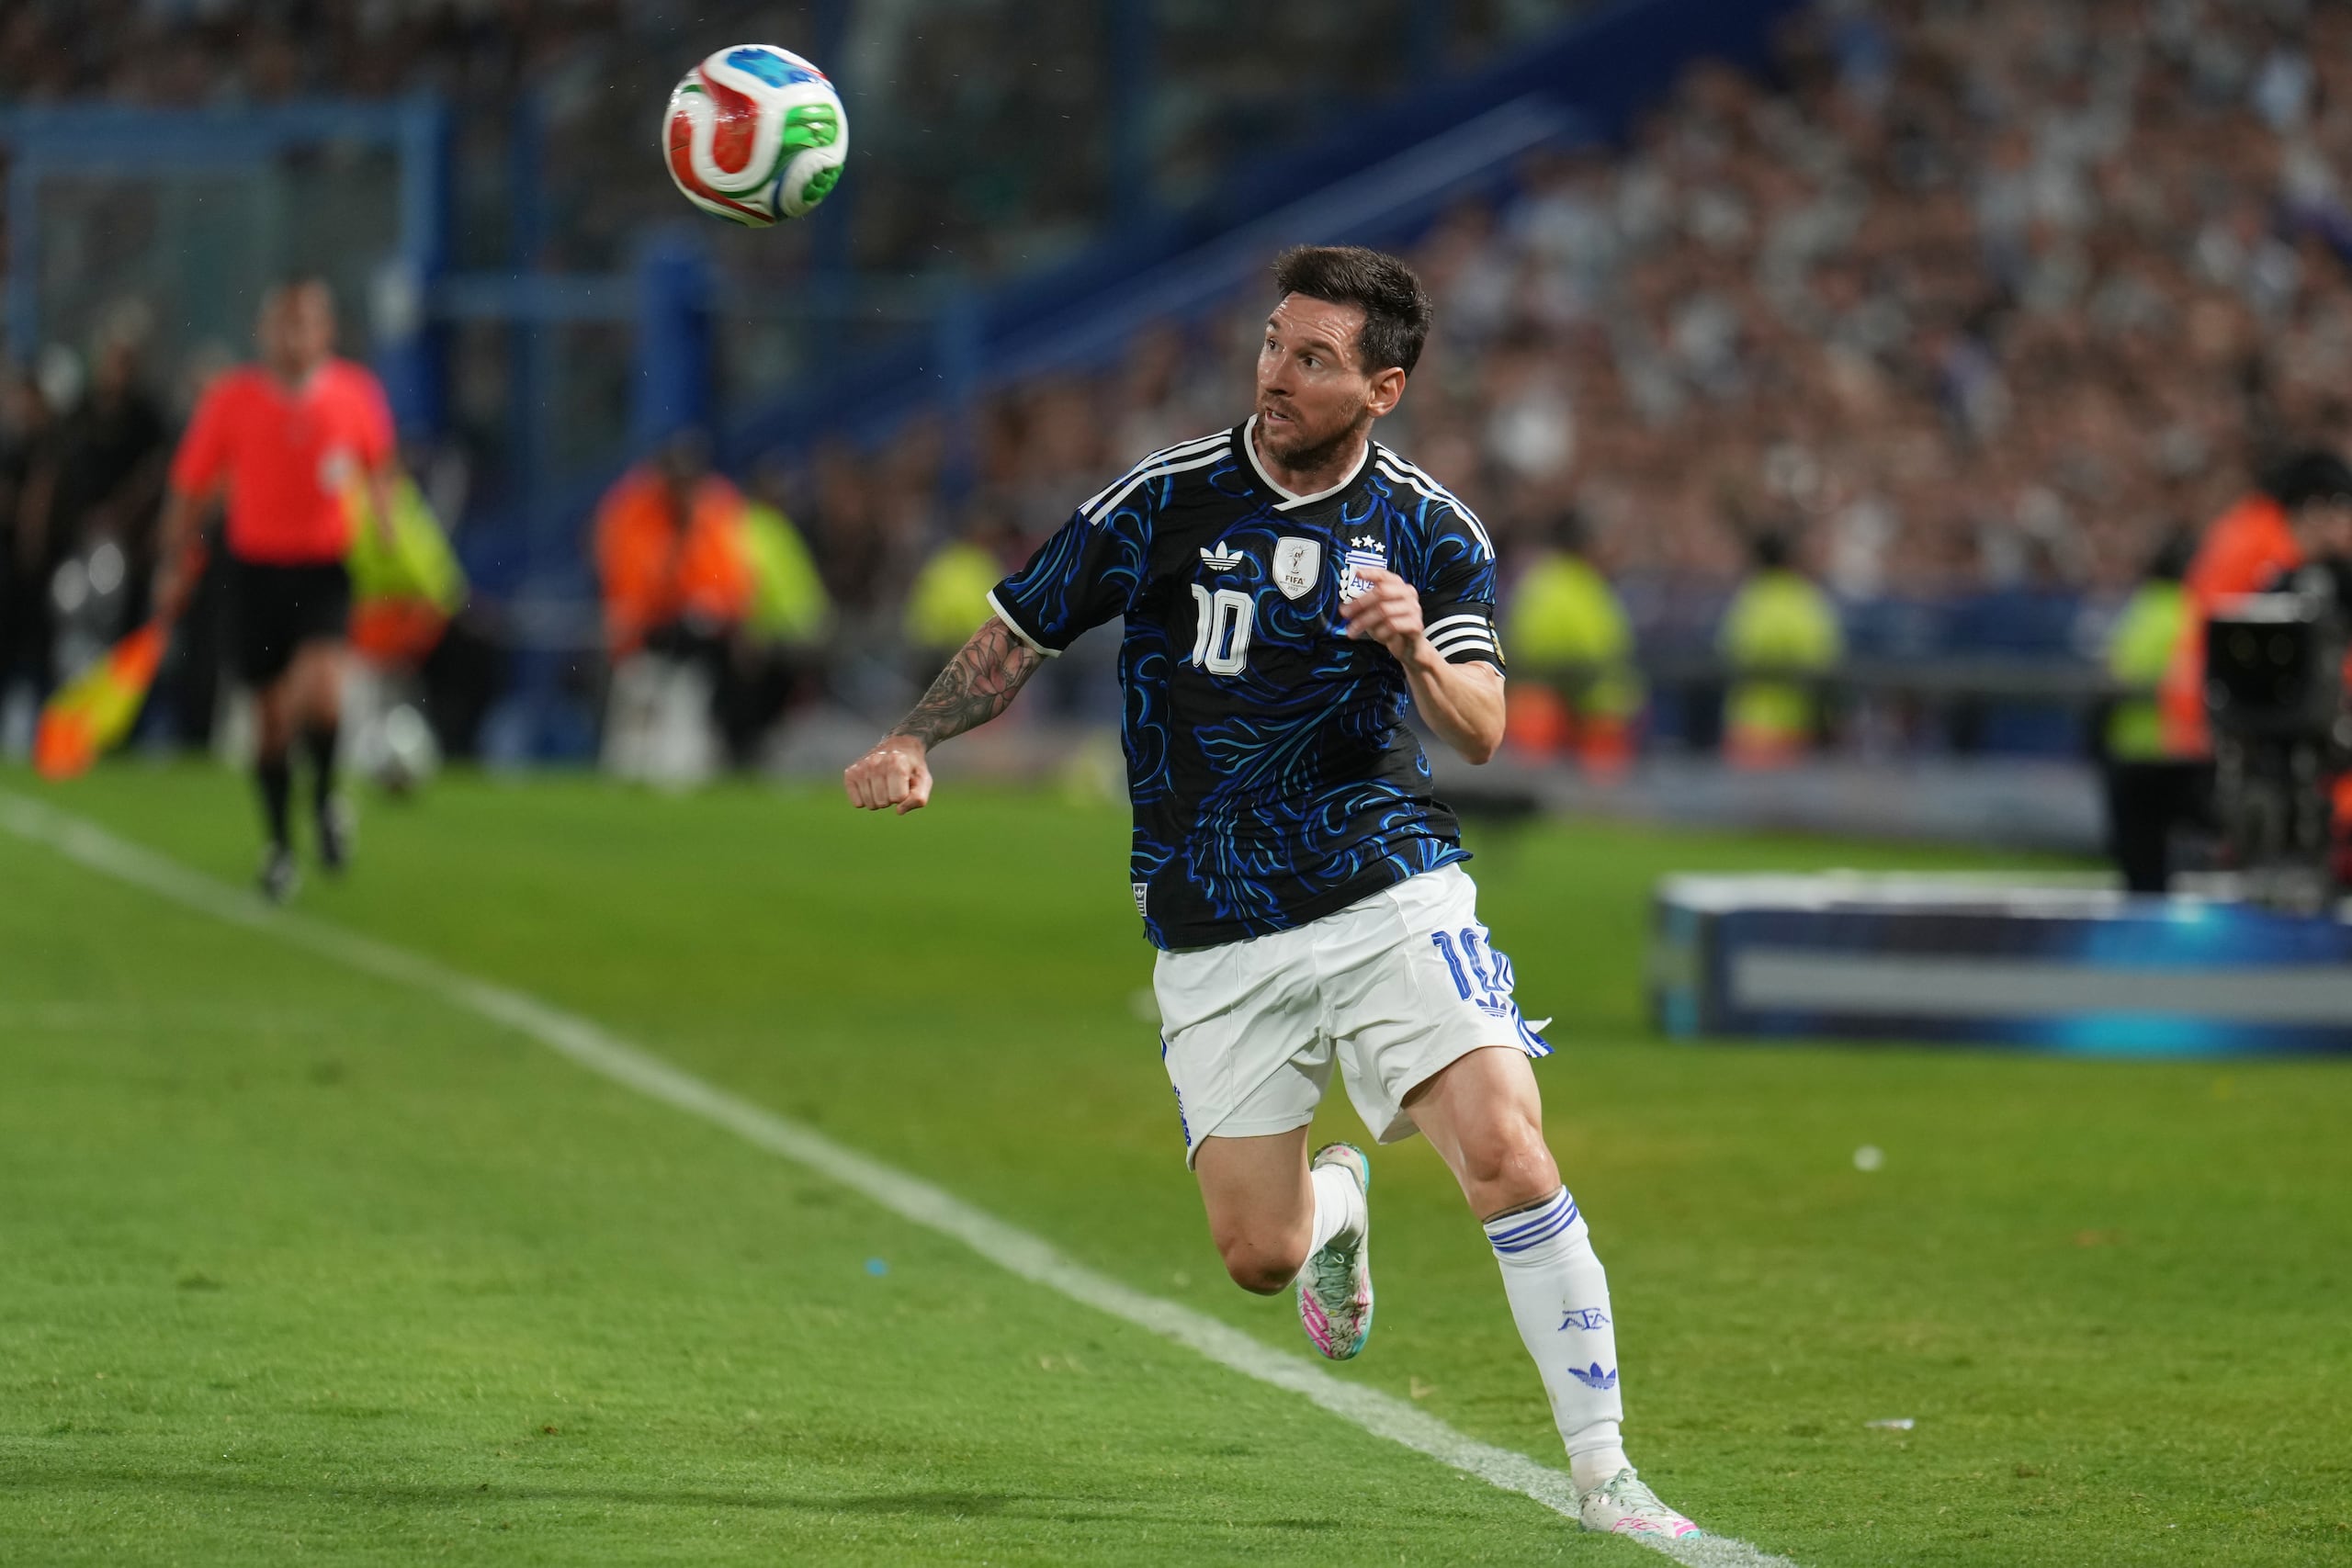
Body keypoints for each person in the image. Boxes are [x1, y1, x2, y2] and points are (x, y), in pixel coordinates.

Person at [842, 246, 1702, 1542]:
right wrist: (914, 735)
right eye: (1270, 345)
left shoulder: (1431, 530)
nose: (1276, 376)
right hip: (1214, 920)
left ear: (1384, 387)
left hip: (1385, 885)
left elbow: (1481, 724)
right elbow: (1019, 628)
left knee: (1509, 1151)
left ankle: (1607, 1472)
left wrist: (1414, 640)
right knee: (1257, 1254)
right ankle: (1341, 1198)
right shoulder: (1165, 497)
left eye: (1313, 358)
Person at [157, 277, 397, 900]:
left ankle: (322, 803)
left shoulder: (355, 394)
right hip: (255, 571)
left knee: (321, 694)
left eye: (306, 323)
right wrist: (173, 557)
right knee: (267, 724)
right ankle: (281, 847)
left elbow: (379, 464)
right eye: (283, 323)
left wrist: (387, 523)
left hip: (322, 570)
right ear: (265, 332)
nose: (294, 336)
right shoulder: (232, 401)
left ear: (326, 332)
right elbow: (192, 483)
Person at [590, 431, 752, 784]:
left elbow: (730, 582)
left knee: (687, 734)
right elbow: (630, 589)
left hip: (695, 643)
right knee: (629, 743)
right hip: (643, 639)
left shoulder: (715, 508)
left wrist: (706, 605)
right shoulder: (631, 511)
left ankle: (708, 754)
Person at [1501, 507, 1642, 775]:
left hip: (1567, 707)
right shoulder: (1579, 587)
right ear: (1588, 543)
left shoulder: (1544, 580)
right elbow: (1600, 654)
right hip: (1579, 711)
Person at [2099, 532, 2199, 894]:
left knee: (2140, 868)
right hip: (2183, 752)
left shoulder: (2138, 609)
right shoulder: (2195, 610)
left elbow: (2114, 672)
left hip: (2131, 751)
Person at [1717, 530, 1842, 768]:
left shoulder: (1746, 601)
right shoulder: (1806, 602)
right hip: (1798, 724)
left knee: (1747, 803)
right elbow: (1826, 660)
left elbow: (1728, 653)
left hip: (1749, 724)